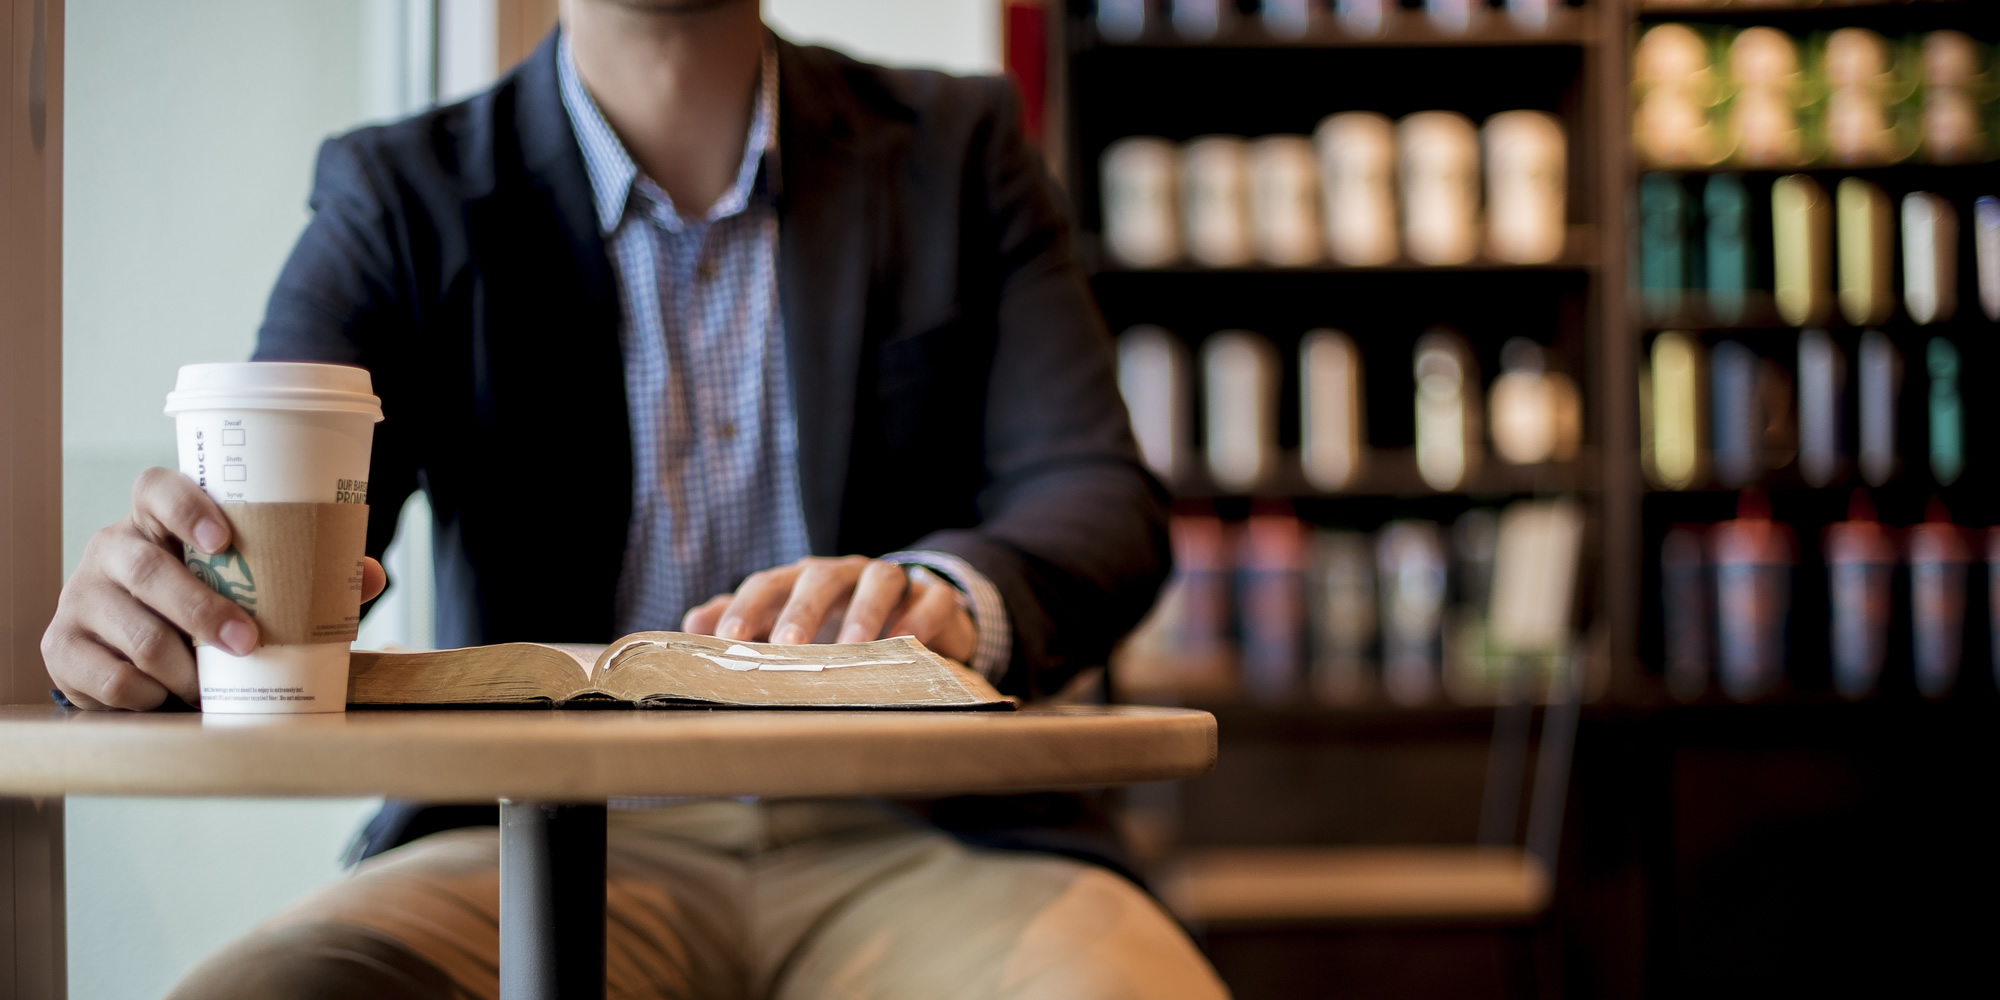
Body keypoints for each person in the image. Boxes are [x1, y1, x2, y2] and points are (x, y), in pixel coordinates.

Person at [42, 0, 1227, 997]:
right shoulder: (403, 192)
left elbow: (1097, 500)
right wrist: (157, 614)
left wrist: (943, 599)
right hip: (522, 837)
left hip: (930, 840)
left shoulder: (956, 145)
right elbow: (249, 517)